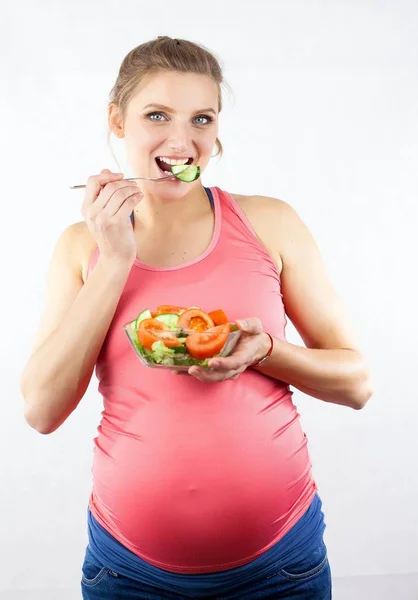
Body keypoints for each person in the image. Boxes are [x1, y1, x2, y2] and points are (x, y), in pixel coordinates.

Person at [20, 36, 372, 600]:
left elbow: (357, 384)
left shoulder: (270, 223)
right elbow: (41, 410)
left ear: (217, 130)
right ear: (117, 120)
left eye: (201, 118)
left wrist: (266, 352)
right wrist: (114, 260)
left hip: (280, 569)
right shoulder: (78, 248)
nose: (182, 141)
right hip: (127, 574)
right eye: (157, 114)